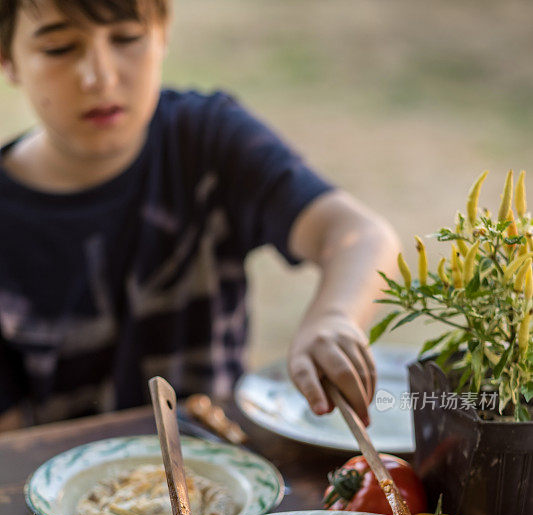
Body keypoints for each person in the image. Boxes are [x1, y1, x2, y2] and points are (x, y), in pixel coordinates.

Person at [0, 0, 399, 433]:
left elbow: (360, 234)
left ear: (162, 34)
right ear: (9, 60)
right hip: (65, 485)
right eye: (59, 48)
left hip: (221, 463)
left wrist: (334, 316)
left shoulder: (207, 138)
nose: (101, 76)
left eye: (127, 38)